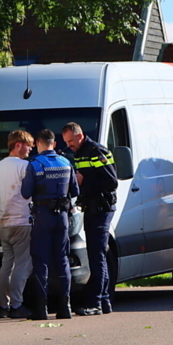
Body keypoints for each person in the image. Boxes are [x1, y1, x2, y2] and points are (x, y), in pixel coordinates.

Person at [21, 128, 79, 320]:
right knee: (62, 259)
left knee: (41, 260)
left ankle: (41, 309)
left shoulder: (35, 164)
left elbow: (25, 192)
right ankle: (65, 307)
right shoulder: (66, 163)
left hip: (43, 216)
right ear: (54, 143)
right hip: (62, 217)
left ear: (38, 143)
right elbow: (75, 190)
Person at [62, 121, 118, 316]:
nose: (69, 145)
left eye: (70, 141)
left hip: (101, 208)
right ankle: (103, 302)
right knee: (96, 255)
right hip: (92, 208)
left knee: (97, 255)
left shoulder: (96, 150)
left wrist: (85, 180)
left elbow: (111, 181)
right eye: (66, 142)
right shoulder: (80, 152)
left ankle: (97, 301)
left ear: (79, 135)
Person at [0, 130, 35, 319]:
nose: (31, 149)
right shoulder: (25, 166)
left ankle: (3, 305)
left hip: (4, 222)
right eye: (28, 145)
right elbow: (32, 191)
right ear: (18, 145)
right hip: (22, 221)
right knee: (23, 265)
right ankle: (17, 305)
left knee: (7, 265)